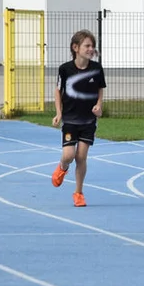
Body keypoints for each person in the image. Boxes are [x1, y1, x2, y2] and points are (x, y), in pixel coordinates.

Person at [51, 30, 106, 208]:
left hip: (88, 121)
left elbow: (100, 90)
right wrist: (59, 113)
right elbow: (58, 91)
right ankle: (62, 167)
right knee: (68, 155)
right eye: (87, 46)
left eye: (92, 46)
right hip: (70, 120)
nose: (91, 49)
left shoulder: (96, 69)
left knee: (81, 157)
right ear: (76, 48)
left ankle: (79, 193)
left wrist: (99, 105)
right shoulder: (65, 69)